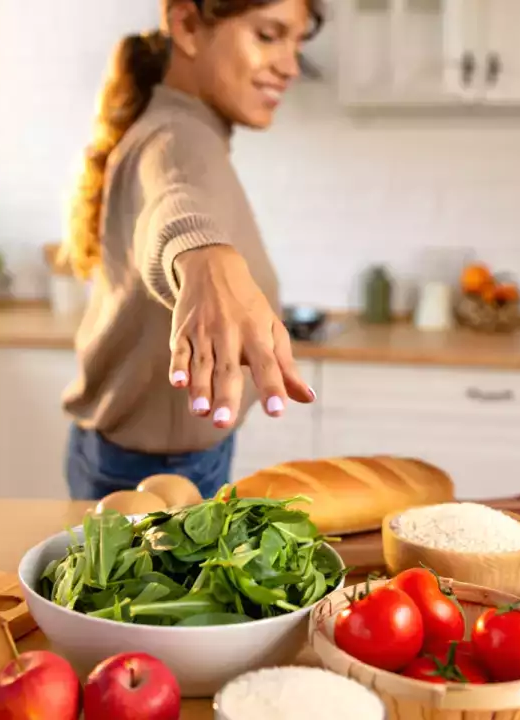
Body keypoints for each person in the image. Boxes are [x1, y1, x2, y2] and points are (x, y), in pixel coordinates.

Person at [58, 0, 325, 500]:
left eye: (297, 43)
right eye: (268, 35)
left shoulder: (183, 128)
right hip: (154, 472)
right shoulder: (175, 136)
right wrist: (205, 256)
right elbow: (175, 198)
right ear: (186, 25)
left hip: (157, 456)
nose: (290, 66)